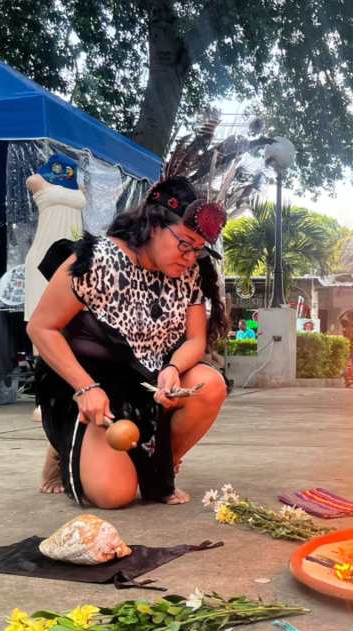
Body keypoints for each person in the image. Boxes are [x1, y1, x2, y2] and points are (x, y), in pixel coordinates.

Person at [27, 174, 229, 508]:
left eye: (198, 250)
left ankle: (153, 467)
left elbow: (195, 339)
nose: (191, 257)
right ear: (153, 226)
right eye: (184, 244)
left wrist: (173, 368)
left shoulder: (189, 272)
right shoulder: (96, 261)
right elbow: (41, 328)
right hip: (91, 383)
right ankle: (67, 447)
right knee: (114, 496)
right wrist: (85, 389)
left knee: (209, 384)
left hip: (147, 384)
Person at [25, 154, 86, 320]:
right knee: (41, 322)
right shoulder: (37, 180)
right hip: (43, 256)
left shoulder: (79, 185)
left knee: (73, 321)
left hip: (72, 258)